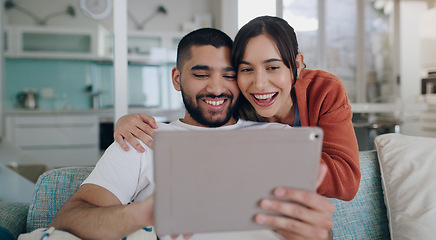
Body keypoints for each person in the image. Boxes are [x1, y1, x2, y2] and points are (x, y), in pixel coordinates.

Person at [49, 28, 335, 240]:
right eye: (201, 75)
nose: (216, 88)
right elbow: (67, 219)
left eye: (229, 75)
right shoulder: (142, 139)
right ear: (177, 78)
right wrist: (146, 213)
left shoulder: (279, 137)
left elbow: (315, 229)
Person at [113, 16, 360, 201]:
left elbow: (346, 181)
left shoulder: (324, 90)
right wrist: (125, 121)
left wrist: (266, 153)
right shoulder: (234, 97)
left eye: (273, 67)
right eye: (246, 69)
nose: (259, 84)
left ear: (296, 65)